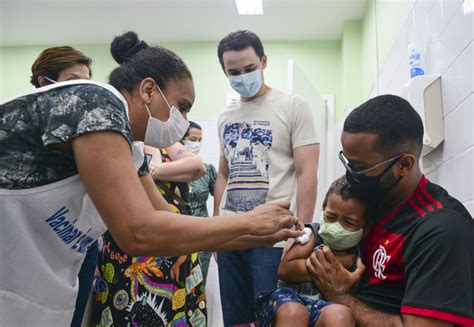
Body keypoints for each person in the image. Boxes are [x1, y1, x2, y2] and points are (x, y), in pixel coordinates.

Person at [0, 31, 303, 326]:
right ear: (147, 90)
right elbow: (138, 232)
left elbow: (164, 218)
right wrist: (250, 222)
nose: (183, 121)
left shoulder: (131, 150)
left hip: (35, 281)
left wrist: (262, 233)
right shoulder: (98, 100)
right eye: (182, 106)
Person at [306, 95, 474, 326]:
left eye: (361, 168)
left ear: (404, 164)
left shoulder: (441, 229)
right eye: (348, 163)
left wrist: (339, 296)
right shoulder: (372, 206)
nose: (350, 176)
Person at [214, 29, 320, 326]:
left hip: (273, 237)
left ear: (263, 61)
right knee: (237, 320)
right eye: (233, 72)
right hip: (231, 234)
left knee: (274, 318)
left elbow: (307, 171)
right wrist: (215, 228)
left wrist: (304, 232)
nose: (243, 76)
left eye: (249, 68)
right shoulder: (225, 117)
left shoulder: (292, 106)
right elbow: (223, 175)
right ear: (225, 72)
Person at [94, 141, 208, 326]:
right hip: (128, 247)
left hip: (171, 248)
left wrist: (155, 170)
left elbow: (197, 166)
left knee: (172, 308)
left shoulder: (165, 142)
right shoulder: (119, 143)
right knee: (121, 306)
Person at [30, 45, 97, 327]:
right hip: (35, 241)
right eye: (72, 82)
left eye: (86, 83)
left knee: (72, 316)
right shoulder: (19, 128)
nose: (80, 91)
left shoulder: (87, 130)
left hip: (81, 241)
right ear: (44, 81)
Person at [256, 176, 372, 327]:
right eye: (331, 217)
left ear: (366, 228)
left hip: (325, 306)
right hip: (291, 298)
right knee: (294, 313)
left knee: (340, 315)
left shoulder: (362, 253)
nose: (336, 226)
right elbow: (286, 269)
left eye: (348, 222)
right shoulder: (312, 233)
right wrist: (337, 264)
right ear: (323, 211)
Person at [181, 121, 218, 282]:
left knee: (198, 282)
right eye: (192, 139)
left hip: (202, 234)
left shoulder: (207, 170)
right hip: (176, 231)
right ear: (181, 139)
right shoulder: (169, 166)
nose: (196, 144)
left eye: (199, 140)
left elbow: (221, 198)